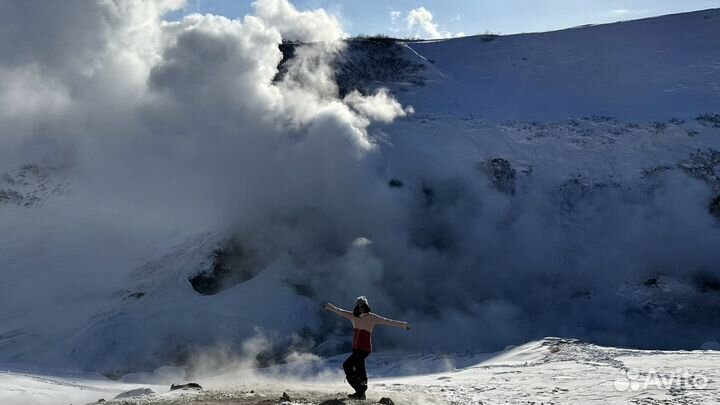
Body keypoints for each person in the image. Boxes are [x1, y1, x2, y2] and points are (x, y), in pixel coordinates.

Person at [324, 296, 411, 400]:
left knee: (347, 365)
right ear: (356, 307)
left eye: (363, 305)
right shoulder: (353, 316)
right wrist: (329, 307)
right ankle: (361, 391)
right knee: (359, 367)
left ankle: (360, 388)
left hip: (364, 348)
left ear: (366, 306)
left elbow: (388, 321)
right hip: (356, 349)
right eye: (359, 306)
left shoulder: (372, 317)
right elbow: (340, 311)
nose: (361, 308)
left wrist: (403, 325)